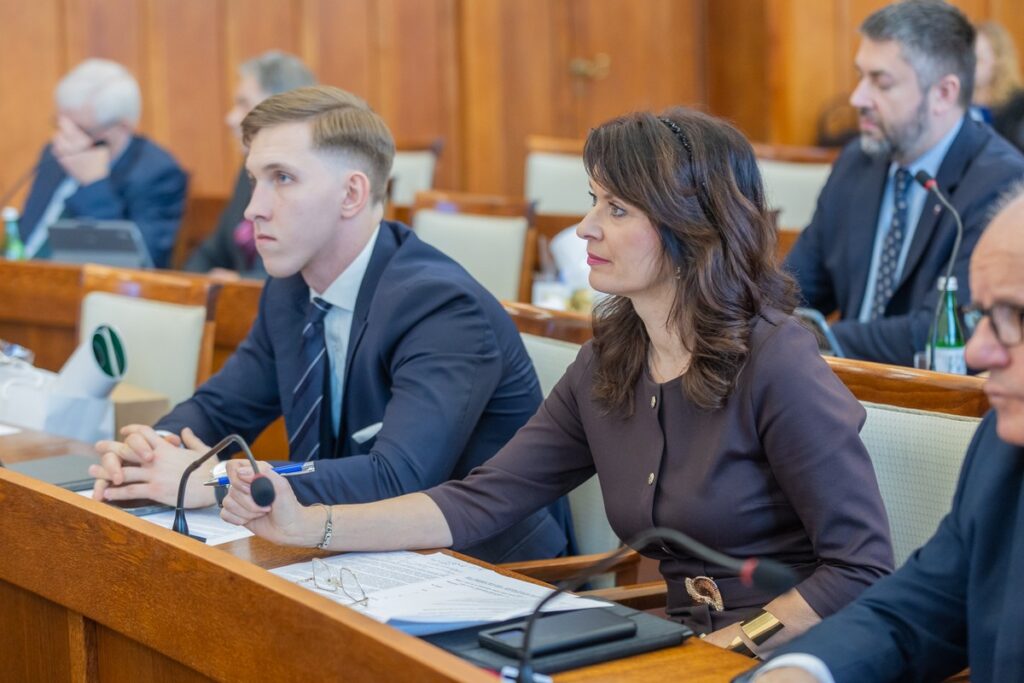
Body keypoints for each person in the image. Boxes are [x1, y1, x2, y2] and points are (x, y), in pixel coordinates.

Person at [215, 107, 895, 655]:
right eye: (593, 201)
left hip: (791, 655)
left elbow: (861, 570)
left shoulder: (778, 361)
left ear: (694, 227)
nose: (585, 227)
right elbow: (483, 499)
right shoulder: (613, 359)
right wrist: (312, 525)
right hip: (682, 641)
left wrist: (734, 645)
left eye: (617, 209)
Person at [89, 86, 571, 564]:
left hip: (490, 576)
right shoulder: (290, 290)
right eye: (254, 179)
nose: (252, 208)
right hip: (348, 553)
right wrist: (151, 452)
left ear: (351, 194)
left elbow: (397, 477)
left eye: (281, 178)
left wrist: (212, 481)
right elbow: (219, 409)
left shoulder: (440, 305)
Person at [746, 183, 1024, 683]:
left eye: (1017, 317)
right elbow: (916, 614)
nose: (978, 353)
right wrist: (803, 670)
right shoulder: (1002, 448)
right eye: (983, 316)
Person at [785, 0, 1024, 367]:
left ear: (943, 93)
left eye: (881, 82)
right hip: (837, 386)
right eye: (860, 76)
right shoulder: (856, 163)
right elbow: (794, 289)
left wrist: (816, 338)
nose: (857, 98)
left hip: (925, 406)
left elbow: (941, 329)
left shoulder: (1001, 181)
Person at [20, 59, 187, 268]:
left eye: (80, 129)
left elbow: (141, 264)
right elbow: (25, 234)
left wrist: (95, 186)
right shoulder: (53, 153)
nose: (62, 141)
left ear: (123, 126)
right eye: (61, 124)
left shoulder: (157, 173)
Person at [184, 50, 315, 279]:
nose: (231, 118)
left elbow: (308, 267)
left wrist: (239, 285)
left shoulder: (311, 175)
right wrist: (189, 285)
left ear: (283, 108)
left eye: (244, 104)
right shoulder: (249, 170)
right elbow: (214, 249)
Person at [973, 21, 1024, 152]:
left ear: (999, 61)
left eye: (978, 59)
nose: (970, 66)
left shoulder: (1018, 108)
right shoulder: (956, 103)